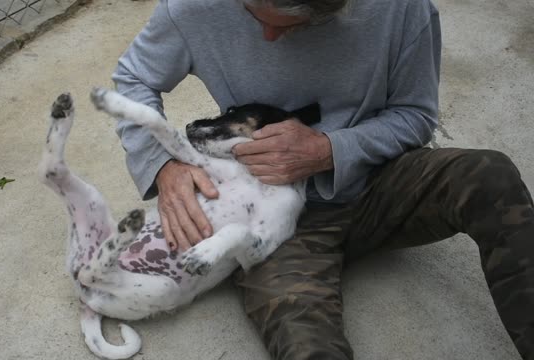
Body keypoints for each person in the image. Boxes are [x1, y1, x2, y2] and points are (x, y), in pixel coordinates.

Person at [111, 0, 534, 358]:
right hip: (266, 221)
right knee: (303, 341)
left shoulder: (401, 9)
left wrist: (329, 149)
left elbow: (415, 114)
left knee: (488, 176)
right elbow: (133, 78)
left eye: (287, 25)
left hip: (381, 184)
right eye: (252, 13)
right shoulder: (194, 7)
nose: (269, 40)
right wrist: (163, 165)